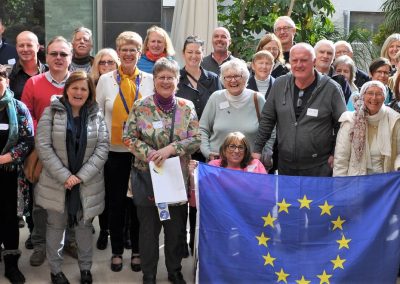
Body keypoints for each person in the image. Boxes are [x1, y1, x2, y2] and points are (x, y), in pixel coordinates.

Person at [123, 58, 200, 284]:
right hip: (147, 178)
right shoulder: (141, 106)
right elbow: (127, 137)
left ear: (178, 81)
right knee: (148, 231)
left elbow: (196, 139)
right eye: (161, 77)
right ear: (154, 80)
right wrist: (151, 154)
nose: (166, 81)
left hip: (176, 179)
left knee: (175, 230)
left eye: (170, 77)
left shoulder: (187, 107)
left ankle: (174, 271)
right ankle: (149, 274)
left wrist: (171, 149)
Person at [35, 71, 109, 284]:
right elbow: (43, 146)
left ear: (89, 92)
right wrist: (65, 176)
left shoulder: (97, 115)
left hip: (87, 184)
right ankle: (55, 271)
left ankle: (85, 269)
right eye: (74, 87)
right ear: (66, 89)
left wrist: (80, 177)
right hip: (56, 183)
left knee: (84, 228)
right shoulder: (51, 112)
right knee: (55, 227)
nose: (78, 92)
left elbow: (102, 148)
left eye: (83, 88)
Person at [96, 31, 153, 272]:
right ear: (118, 53)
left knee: (139, 204)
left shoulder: (150, 79)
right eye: (124, 49)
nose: (129, 53)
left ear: (140, 54)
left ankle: (138, 250)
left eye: (133, 49)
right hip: (114, 152)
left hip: (141, 152)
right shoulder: (105, 80)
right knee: (116, 203)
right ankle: (117, 250)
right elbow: (97, 116)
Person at [253, 43, 346, 177]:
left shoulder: (331, 88)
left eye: (303, 60)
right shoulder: (280, 84)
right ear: (289, 61)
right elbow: (267, 119)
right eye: (294, 60)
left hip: (319, 167)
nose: (298, 64)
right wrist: (257, 149)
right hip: (286, 166)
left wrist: (335, 153)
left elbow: (341, 125)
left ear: (314, 61)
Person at [21, 36, 73, 267]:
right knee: (41, 202)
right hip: (42, 154)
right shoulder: (34, 83)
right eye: (54, 54)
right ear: (46, 56)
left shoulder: (81, 81)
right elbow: (26, 115)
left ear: (70, 57)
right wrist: (46, 138)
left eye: (63, 54)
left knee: (72, 200)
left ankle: (69, 241)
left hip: (73, 154)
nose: (59, 58)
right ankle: (40, 243)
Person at [176, 35, 222, 258]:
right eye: (190, 52)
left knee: (199, 198)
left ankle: (194, 241)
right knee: (180, 196)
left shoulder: (213, 78)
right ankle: (179, 242)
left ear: (203, 54)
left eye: (198, 52)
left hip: (207, 147)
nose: (194, 56)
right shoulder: (176, 78)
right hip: (181, 146)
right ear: (183, 53)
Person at [0, 65, 34, 284]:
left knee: (9, 219)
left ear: (6, 82)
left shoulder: (18, 108)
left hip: (10, 175)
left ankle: (11, 264)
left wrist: (4, 158)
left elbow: (27, 141)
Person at [200, 58, 267, 161]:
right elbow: (203, 128)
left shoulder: (257, 99)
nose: (233, 80)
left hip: (249, 163)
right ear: (223, 79)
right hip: (217, 163)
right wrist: (207, 152)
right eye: (228, 77)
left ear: (245, 77)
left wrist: (265, 152)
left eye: (237, 76)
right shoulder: (216, 97)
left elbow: (270, 129)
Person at [333, 80, 400, 176]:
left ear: (384, 97)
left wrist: (398, 168)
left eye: (379, 94)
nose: (374, 98)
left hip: (386, 183)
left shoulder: (394, 120)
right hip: (356, 181)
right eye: (370, 93)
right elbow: (341, 159)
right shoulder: (351, 120)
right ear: (362, 96)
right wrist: (341, 188)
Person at [9, 31, 47, 101]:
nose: (25, 49)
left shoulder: (49, 72)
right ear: (16, 48)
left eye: (29, 45)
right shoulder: (7, 74)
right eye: (21, 46)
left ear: (38, 47)